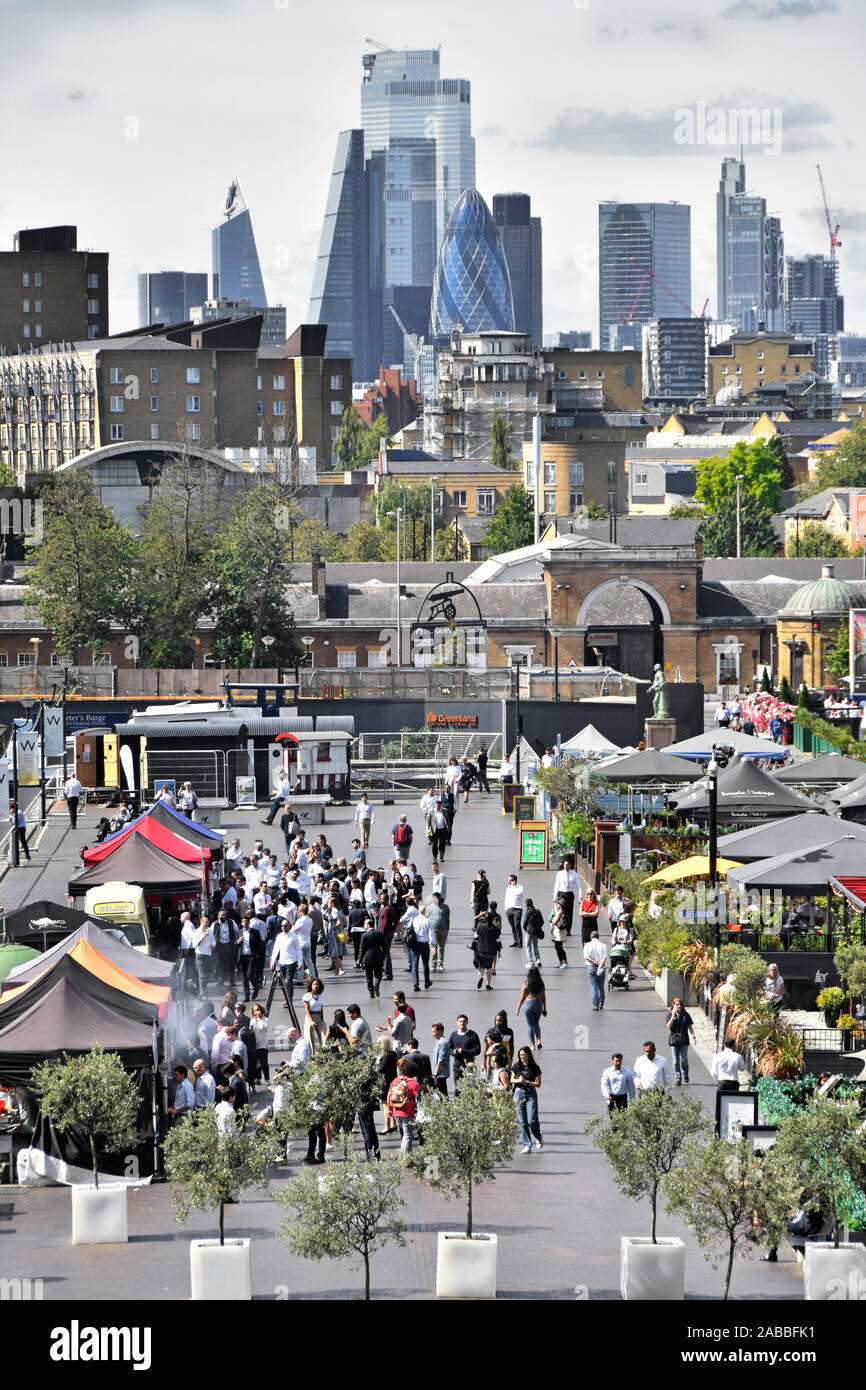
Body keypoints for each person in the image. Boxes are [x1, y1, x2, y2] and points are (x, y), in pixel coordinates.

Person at [511, 1046, 543, 1152]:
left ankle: (538, 1137)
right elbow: (511, 1079)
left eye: (523, 1054)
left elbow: (538, 1084)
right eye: (520, 1055)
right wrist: (519, 1080)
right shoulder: (516, 1066)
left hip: (530, 1093)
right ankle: (527, 1144)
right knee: (521, 1120)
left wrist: (527, 1082)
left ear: (529, 1054)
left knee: (532, 1120)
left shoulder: (534, 1067)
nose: (522, 1057)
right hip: (518, 1093)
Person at [387, 1058, 421, 1159]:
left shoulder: (396, 1080)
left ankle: (408, 1157)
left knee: (405, 1135)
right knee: (408, 1136)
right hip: (408, 1113)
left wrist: (389, 1109)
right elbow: (418, 1099)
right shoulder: (414, 1084)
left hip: (396, 1111)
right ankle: (403, 1158)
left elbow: (389, 1095)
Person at [665, 997, 697, 1085]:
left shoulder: (686, 1015)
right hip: (674, 1041)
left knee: (683, 1059)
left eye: (680, 1004)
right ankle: (677, 1078)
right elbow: (669, 1026)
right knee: (675, 1061)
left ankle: (685, 1074)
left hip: (684, 1040)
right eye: (677, 1004)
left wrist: (693, 1036)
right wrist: (672, 1015)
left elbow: (690, 1026)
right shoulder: (670, 1015)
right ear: (673, 1006)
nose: (679, 1006)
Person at [516, 967, 546, 1048]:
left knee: (530, 1025)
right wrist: (544, 1008)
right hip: (538, 1003)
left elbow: (522, 997)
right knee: (536, 1023)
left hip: (528, 1003)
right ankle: (539, 1040)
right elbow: (543, 996)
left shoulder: (526, 983)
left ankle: (532, 1045)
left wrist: (518, 1008)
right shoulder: (541, 983)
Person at [449, 1014, 482, 1083]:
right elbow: (449, 1049)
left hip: (469, 1065)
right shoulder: (453, 1035)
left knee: (469, 1087)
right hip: (457, 1065)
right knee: (457, 1088)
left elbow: (477, 1050)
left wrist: (464, 1051)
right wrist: (453, 1052)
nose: (462, 1023)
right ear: (457, 1022)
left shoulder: (473, 1035)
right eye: (460, 1021)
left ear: (467, 1022)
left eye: (464, 1021)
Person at [552, 859, 581, 935]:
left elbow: (579, 887)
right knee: (562, 911)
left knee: (569, 912)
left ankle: (568, 929)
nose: (566, 866)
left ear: (570, 866)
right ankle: (561, 926)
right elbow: (556, 886)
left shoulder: (574, 874)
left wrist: (580, 897)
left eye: (567, 865)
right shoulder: (559, 874)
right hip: (561, 894)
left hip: (569, 894)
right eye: (564, 864)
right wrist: (554, 896)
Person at [583, 930, 608, 1012]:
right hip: (601, 967)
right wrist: (599, 965)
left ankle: (595, 1006)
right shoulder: (603, 945)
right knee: (601, 987)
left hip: (591, 967)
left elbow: (586, 957)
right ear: (598, 937)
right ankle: (601, 1005)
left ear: (591, 937)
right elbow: (604, 957)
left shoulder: (587, 945)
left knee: (593, 987)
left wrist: (595, 963)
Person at [428, 892, 450, 973]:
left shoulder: (445, 907)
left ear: (440, 898)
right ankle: (434, 963)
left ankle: (440, 963)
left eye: (437, 898)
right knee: (434, 946)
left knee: (441, 947)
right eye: (434, 898)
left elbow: (447, 918)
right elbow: (427, 918)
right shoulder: (430, 907)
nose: (435, 900)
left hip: (443, 929)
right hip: (433, 929)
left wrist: (448, 929)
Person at [301, 977, 325, 1053]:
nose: (316, 986)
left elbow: (321, 1007)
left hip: (318, 1017)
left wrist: (322, 1019)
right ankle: (312, 1058)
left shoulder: (320, 995)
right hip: (310, 1017)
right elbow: (307, 1010)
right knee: (309, 1039)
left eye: (317, 984)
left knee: (324, 1037)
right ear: (311, 985)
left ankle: (323, 1055)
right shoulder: (307, 996)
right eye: (314, 984)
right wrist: (311, 1021)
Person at [249, 1002, 270, 1086]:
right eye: (255, 1010)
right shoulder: (252, 1021)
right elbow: (251, 1031)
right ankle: (258, 1078)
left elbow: (262, 1028)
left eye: (258, 1009)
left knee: (264, 1062)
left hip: (263, 1045)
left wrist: (260, 1019)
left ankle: (267, 1078)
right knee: (256, 1063)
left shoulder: (265, 1020)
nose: (256, 1012)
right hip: (255, 1044)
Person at [504, 874, 526, 948]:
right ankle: (515, 941)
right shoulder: (508, 887)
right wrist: (506, 908)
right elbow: (507, 897)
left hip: (517, 909)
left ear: (514, 880)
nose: (508, 881)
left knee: (517, 925)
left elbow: (518, 894)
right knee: (512, 926)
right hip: (509, 909)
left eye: (509, 880)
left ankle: (520, 942)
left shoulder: (520, 887)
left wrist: (513, 886)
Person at [522, 898, 544, 968]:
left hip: (529, 932)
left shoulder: (526, 912)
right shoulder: (538, 911)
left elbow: (525, 922)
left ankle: (531, 962)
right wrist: (538, 927)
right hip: (536, 932)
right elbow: (542, 921)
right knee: (535, 946)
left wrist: (525, 929)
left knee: (528, 947)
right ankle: (538, 960)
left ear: (526, 904)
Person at [430, 1022, 451, 1094]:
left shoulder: (442, 1042)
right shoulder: (438, 1041)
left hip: (440, 1074)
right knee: (439, 1094)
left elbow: (441, 1059)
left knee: (443, 1095)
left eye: (433, 1032)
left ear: (439, 1031)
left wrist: (435, 1074)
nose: (432, 1034)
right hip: (437, 1074)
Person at [549, 899, 569, 969]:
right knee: (558, 947)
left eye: (558, 904)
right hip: (559, 931)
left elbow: (554, 921)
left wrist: (553, 918)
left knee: (559, 947)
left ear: (560, 905)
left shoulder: (559, 912)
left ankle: (565, 963)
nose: (557, 905)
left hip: (559, 932)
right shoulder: (561, 911)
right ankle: (561, 962)